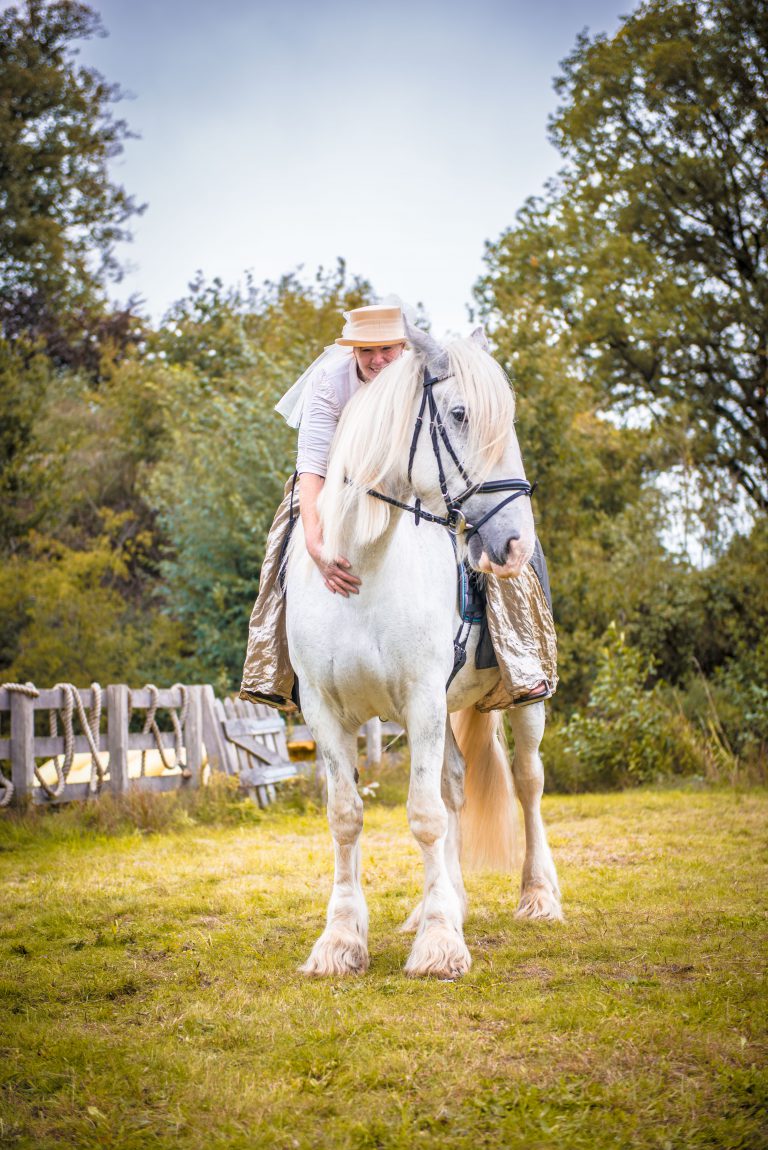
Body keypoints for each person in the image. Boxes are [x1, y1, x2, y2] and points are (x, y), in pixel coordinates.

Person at [239, 302, 557, 713]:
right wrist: (316, 545)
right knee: (283, 542)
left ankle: (520, 662)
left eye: (387, 349)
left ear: (404, 348)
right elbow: (312, 469)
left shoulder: (422, 378)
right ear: (351, 351)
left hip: (412, 486)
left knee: (489, 528)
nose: (377, 360)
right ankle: (270, 666)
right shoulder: (327, 383)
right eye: (365, 351)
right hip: (339, 489)